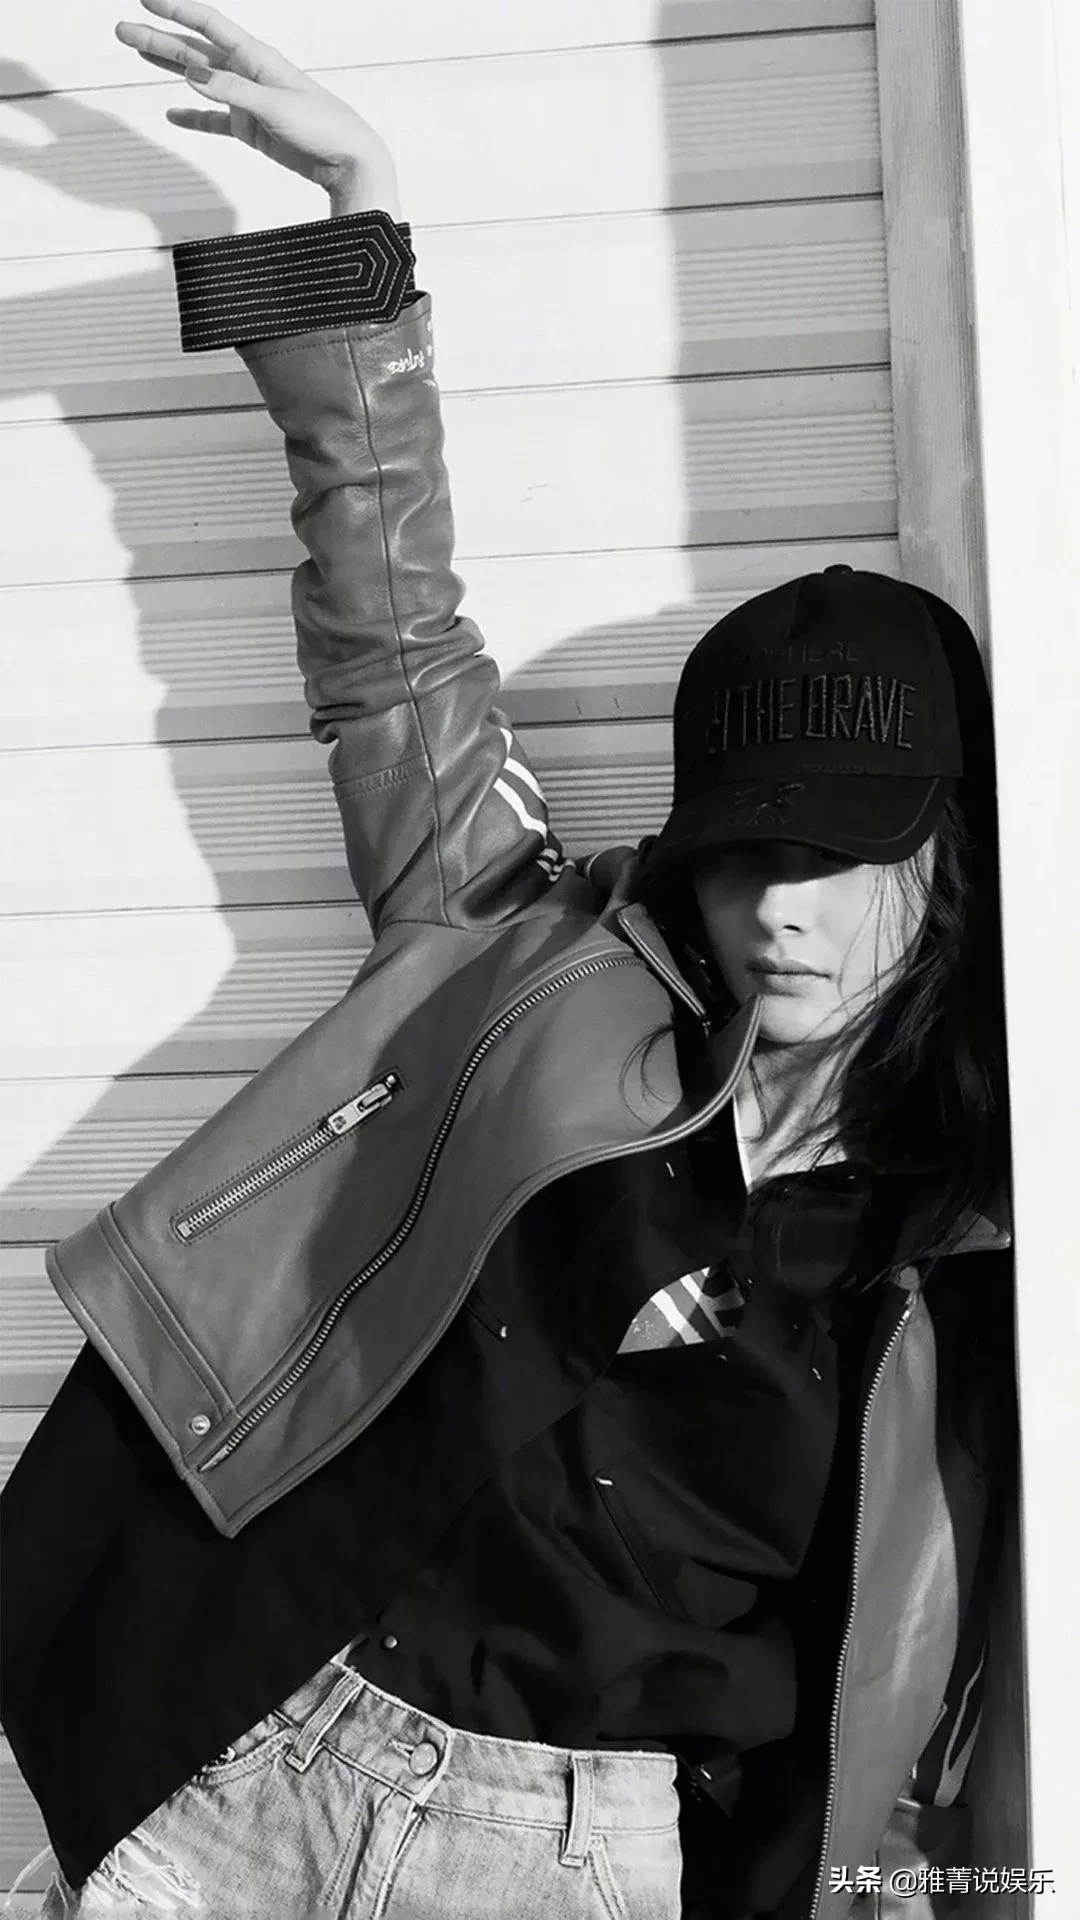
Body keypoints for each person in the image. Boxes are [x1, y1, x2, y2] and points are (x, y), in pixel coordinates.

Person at [0, 5, 1016, 1917]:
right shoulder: (535, 965)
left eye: (845, 857)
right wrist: (358, 237)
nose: (782, 909)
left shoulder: (969, 1217)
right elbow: (394, 648)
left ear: (944, 862)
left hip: (572, 1859)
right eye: (749, 851)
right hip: (262, 1750)